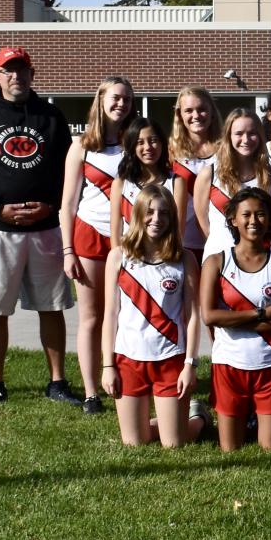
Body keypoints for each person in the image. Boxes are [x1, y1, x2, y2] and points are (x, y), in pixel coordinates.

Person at [0, 46, 80, 405]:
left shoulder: (51, 116)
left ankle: (57, 381)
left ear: (32, 73)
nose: (16, 76)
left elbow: (67, 171)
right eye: (8, 70)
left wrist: (52, 206)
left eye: (22, 70)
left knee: (52, 305)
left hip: (45, 230)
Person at [100, 185, 205, 447]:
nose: (156, 219)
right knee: (135, 443)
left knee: (175, 444)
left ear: (172, 219)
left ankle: (198, 416)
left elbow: (192, 316)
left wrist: (190, 364)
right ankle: (167, 419)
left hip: (170, 360)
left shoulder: (184, 259)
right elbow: (110, 315)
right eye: (149, 212)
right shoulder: (118, 257)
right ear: (137, 214)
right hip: (128, 360)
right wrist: (108, 366)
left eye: (164, 214)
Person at [199, 187, 271, 451]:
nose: (254, 221)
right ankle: (201, 413)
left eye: (261, 214)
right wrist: (260, 314)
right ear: (232, 219)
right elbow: (209, 315)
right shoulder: (216, 262)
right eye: (246, 215)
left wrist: (232, 320)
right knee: (230, 449)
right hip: (229, 364)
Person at [60, 76, 135, 414]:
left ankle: (125, 379)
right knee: (91, 317)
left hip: (130, 241)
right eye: (116, 98)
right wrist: (68, 251)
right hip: (89, 237)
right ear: (101, 100)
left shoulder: (135, 143)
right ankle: (92, 391)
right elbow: (67, 205)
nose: (121, 104)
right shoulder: (82, 146)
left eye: (127, 99)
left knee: (126, 314)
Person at [194, 107, 271, 256]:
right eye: (238, 134)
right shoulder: (208, 175)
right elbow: (202, 223)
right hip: (218, 259)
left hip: (260, 260)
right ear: (228, 137)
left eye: (252, 133)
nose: (246, 140)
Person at [169, 86, 222, 265]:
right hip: (183, 243)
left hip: (220, 242)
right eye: (189, 111)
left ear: (212, 112)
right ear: (180, 115)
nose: (196, 115)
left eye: (202, 109)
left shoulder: (226, 149)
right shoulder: (170, 151)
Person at [110, 117, 175, 240]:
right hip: (130, 257)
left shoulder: (176, 182)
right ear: (132, 147)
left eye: (153, 140)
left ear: (162, 143)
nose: (148, 147)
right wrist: (119, 259)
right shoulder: (120, 184)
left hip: (165, 257)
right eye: (140, 142)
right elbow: (115, 235)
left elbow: (177, 232)